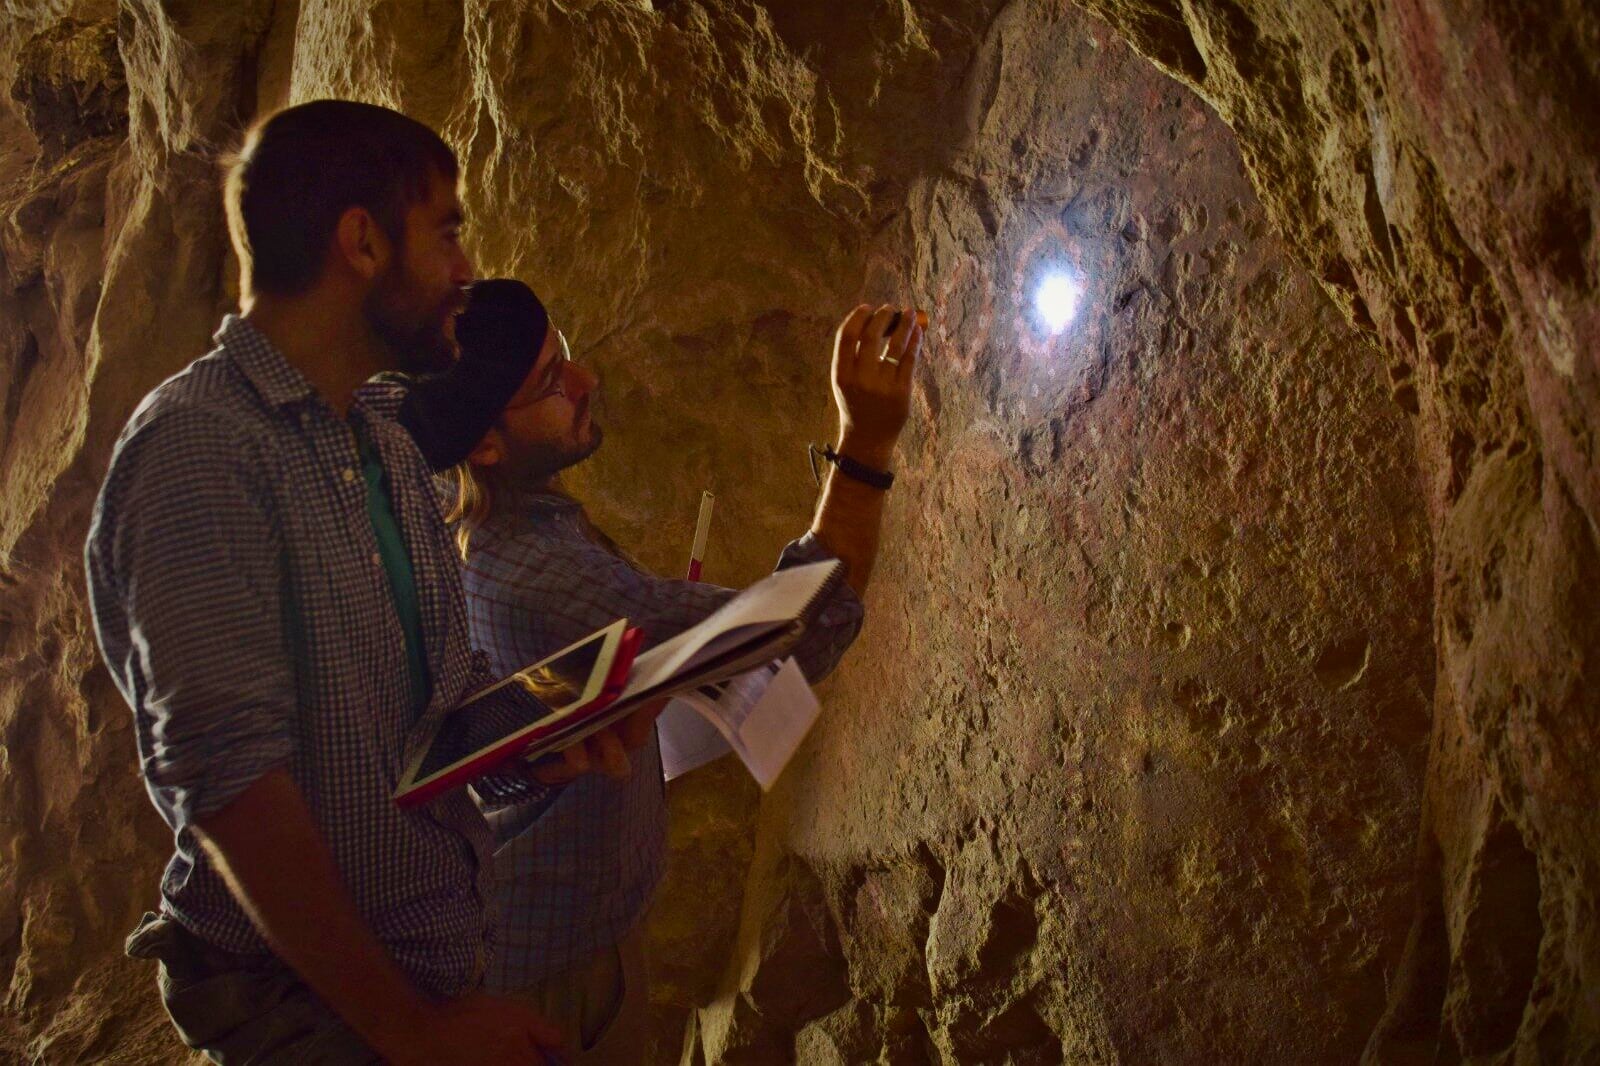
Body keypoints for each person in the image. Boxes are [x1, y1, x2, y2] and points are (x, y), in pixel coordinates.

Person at [84, 102, 580, 1065]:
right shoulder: (198, 450)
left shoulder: (380, 435)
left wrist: (539, 740)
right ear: (362, 241)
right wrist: (417, 1033)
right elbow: (228, 783)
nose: (465, 271)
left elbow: (408, 723)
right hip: (314, 1016)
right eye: (446, 232)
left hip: (406, 987)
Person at [386, 277, 925, 1062]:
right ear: (486, 441)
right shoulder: (541, 579)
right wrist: (867, 443)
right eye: (550, 382)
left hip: (534, 930)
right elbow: (802, 625)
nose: (585, 381)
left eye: (562, 354)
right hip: (552, 976)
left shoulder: (453, 507)